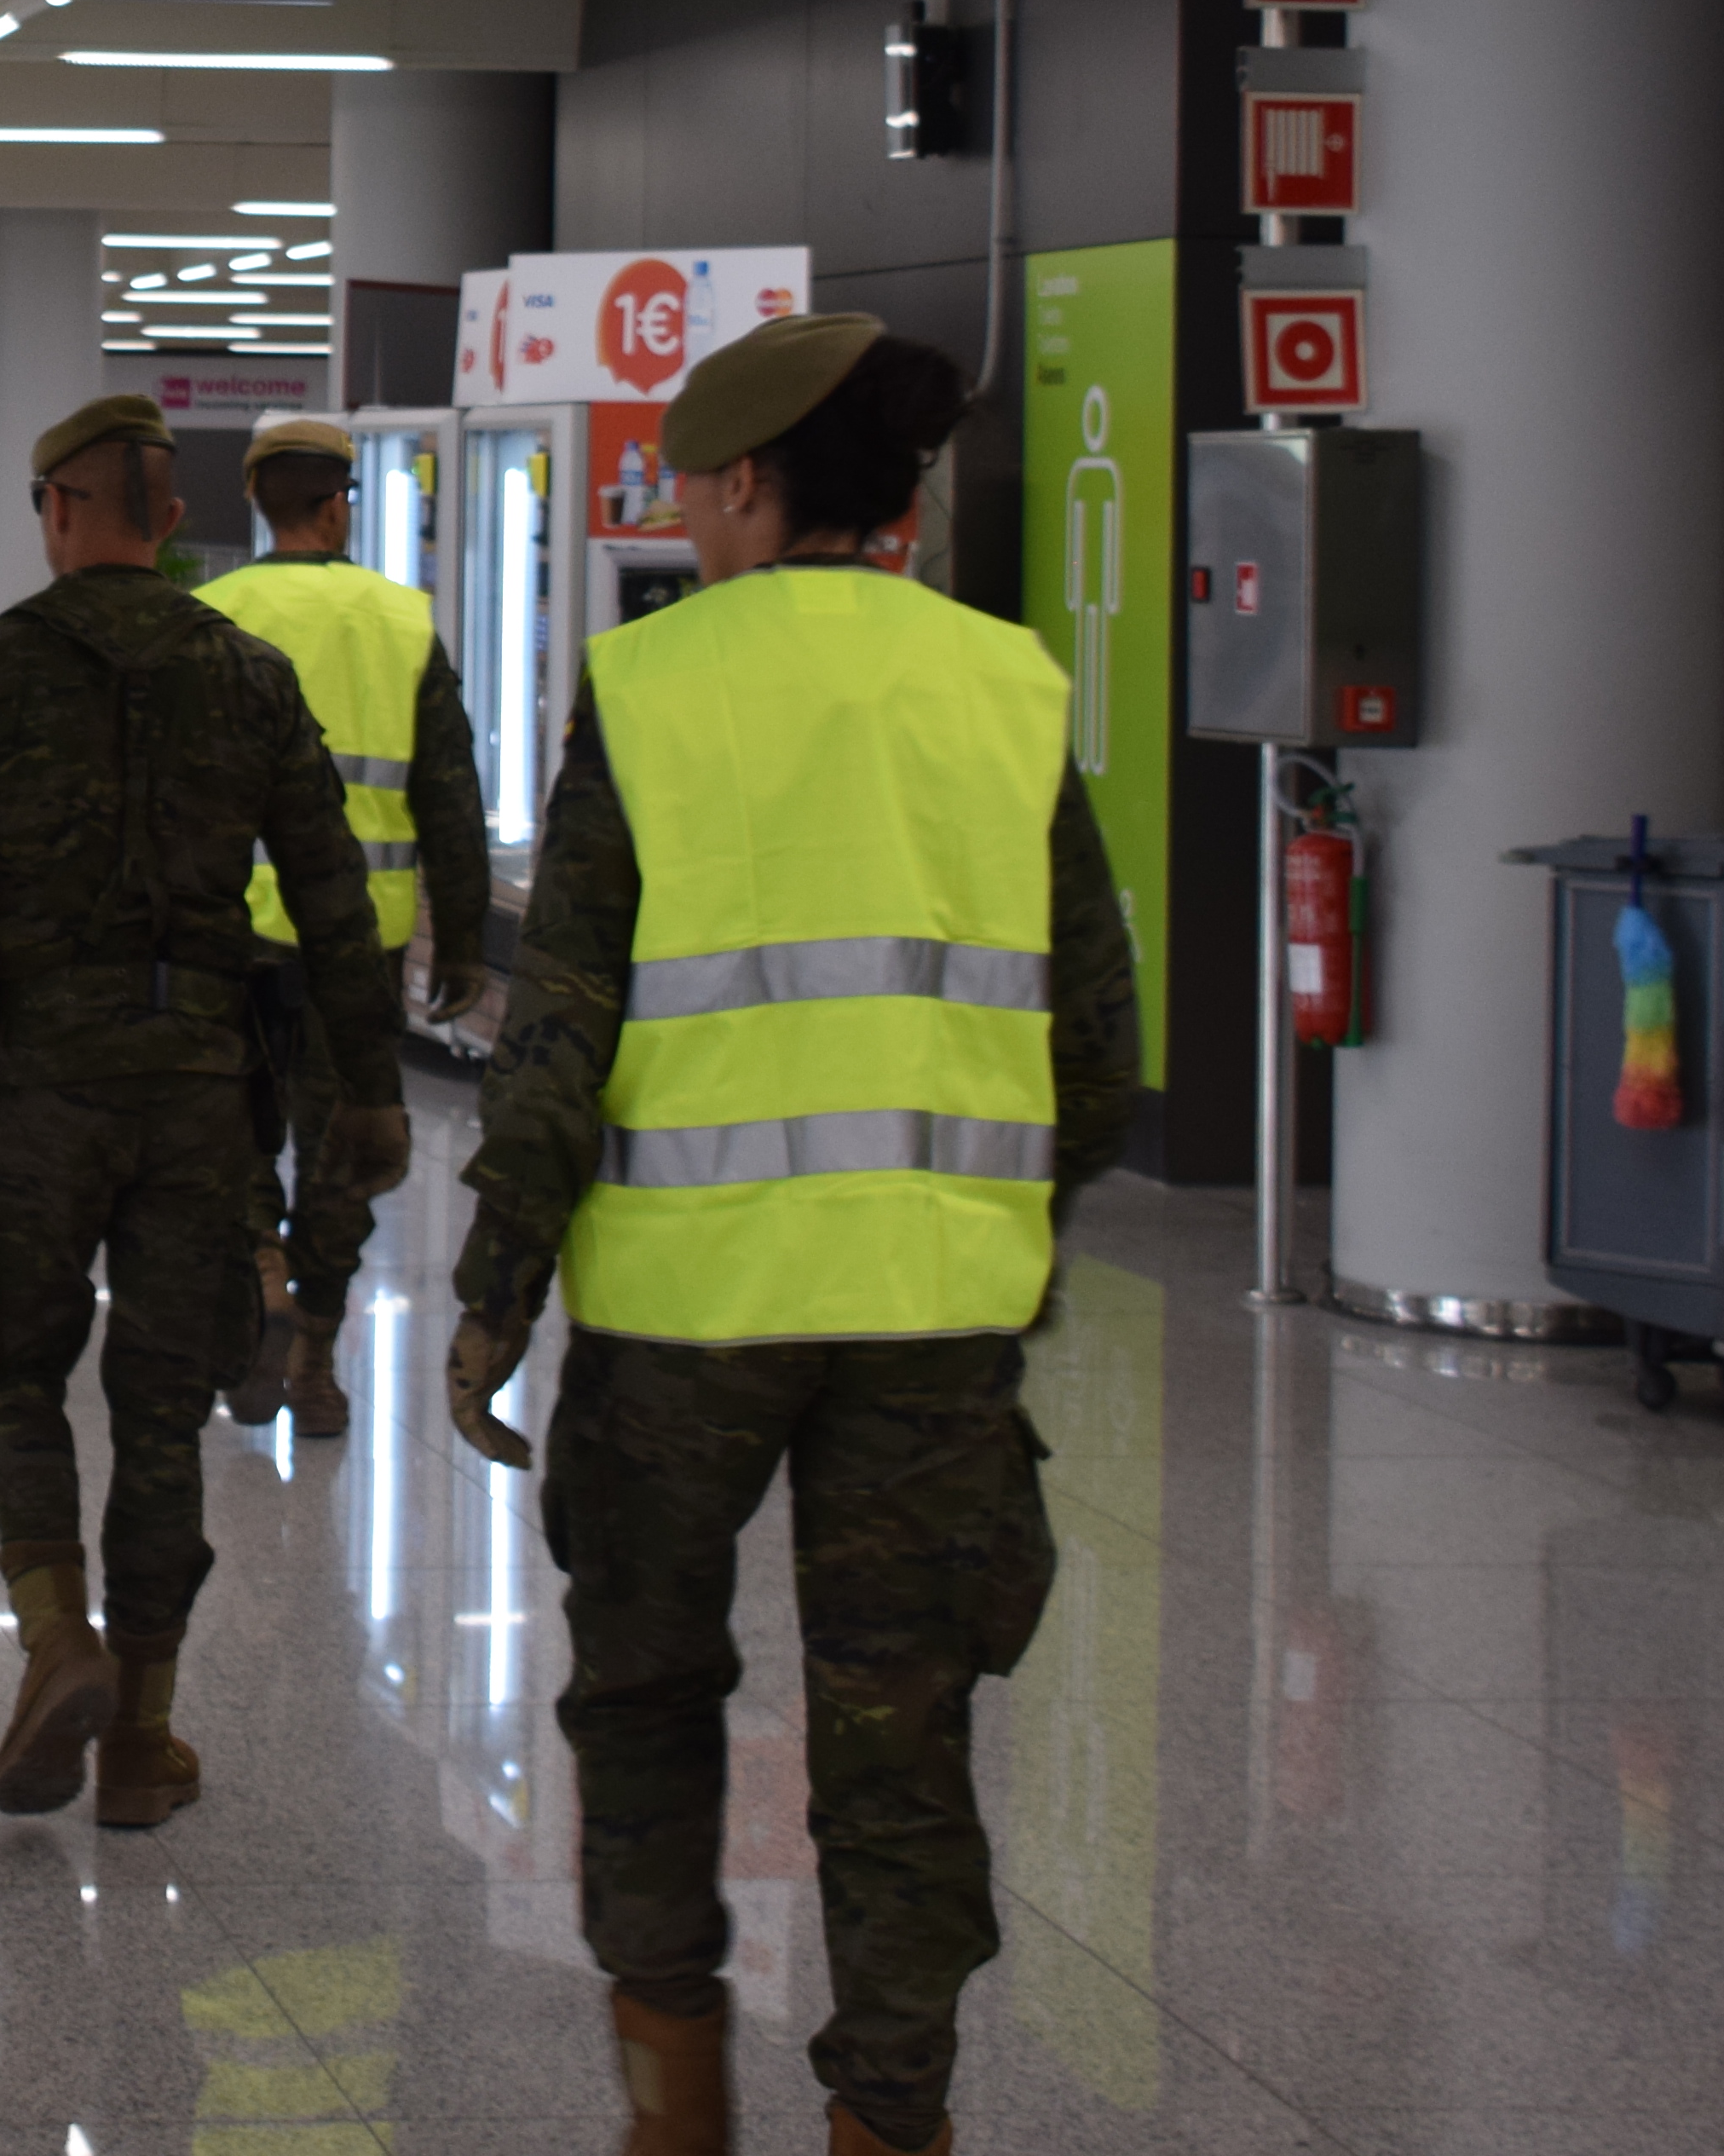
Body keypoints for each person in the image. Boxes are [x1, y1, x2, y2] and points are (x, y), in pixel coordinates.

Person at [440, 317, 1140, 2156]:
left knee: (652, 1693)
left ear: (746, 482)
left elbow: (562, 1022)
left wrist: (497, 1287)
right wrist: (994, 1222)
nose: (682, 503)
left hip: (688, 1313)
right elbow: (1101, 1049)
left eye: (688, 474)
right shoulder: (1006, 682)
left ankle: (675, 2105)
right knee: (900, 1734)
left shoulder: (655, 682)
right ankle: (891, 2113)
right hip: (932, 1314)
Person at [0, 391, 400, 1828]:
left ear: (65, 508)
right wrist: (374, 1090)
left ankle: (56, 1634)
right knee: (163, 1414)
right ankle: (143, 1744)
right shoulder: (252, 676)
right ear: (168, 515)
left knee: (10, 1363)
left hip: (40, 1089)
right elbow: (330, 899)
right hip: (204, 1091)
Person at [190, 415, 492, 1435]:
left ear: (259, 502)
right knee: (347, 1146)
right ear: (338, 504)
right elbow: (450, 795)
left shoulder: (215, 611)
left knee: (231, 1129)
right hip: (354, 940)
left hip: (229, 933)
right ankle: (315, 1352)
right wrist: (464, 938)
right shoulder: (402, 620)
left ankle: (261, 1271)